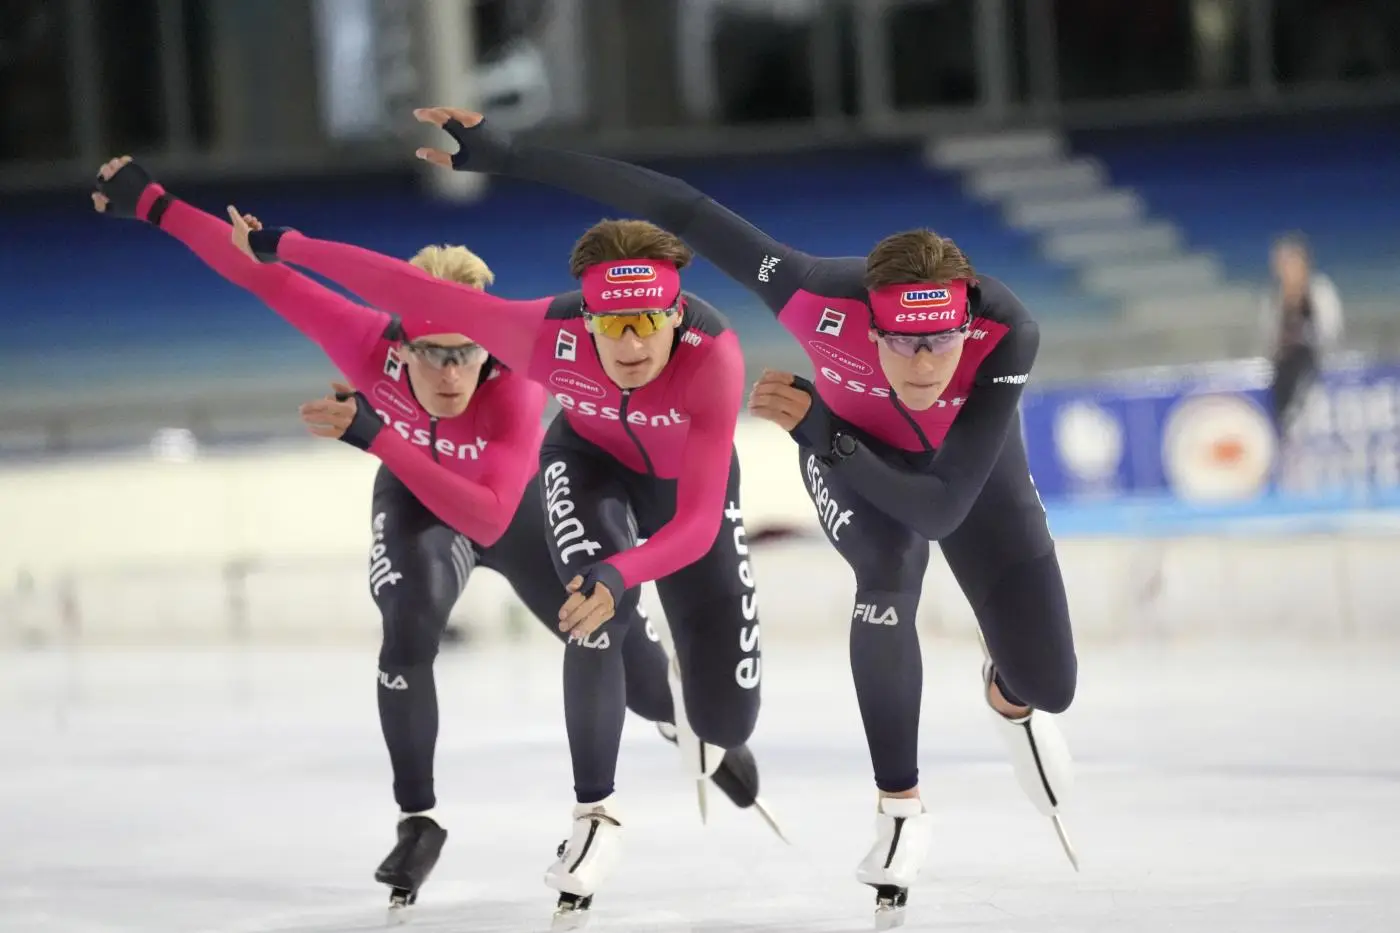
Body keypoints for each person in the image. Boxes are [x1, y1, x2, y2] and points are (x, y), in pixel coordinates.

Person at [408, 107, 1080, 924]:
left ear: (967, 320)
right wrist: (514, 156)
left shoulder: (1009, 332)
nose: (924, 362)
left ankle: (1008, 693)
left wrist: (825, 434)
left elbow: (943, 507)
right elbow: (681, 209)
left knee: (1051, 683)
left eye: (941, 341)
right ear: (865, 314)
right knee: (887, 567)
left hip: (946, 474)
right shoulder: (810, 293)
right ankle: (899, 808)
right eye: (899, 341)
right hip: (848, 464)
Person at [90, 156, 766, 919]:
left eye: (467, 352)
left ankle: (689, 726)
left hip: (504, 513)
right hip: (414, 502)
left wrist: (380, 437)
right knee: (406, 627)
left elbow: (484, 515)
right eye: (432, 353)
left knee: (629, 661)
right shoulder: (362, 342)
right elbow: (256, 273)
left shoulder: (519, 380)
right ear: (399, 344)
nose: (451, 373)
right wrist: (154, 202)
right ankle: (418, 819)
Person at [1260, 233, 1343, 440]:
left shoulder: (1319, 292)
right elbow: (1268, 338)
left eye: (1291, 263)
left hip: (1316, 368)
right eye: (1281, 265)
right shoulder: (1273, 298)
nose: (1286, 270)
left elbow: (1331, 330)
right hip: (1284, 374)